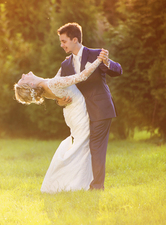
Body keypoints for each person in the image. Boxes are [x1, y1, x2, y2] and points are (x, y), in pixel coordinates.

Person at [14, 49, 108, 193]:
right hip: (79, 114)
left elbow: (60, 77)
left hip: (74, 114)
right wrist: (99, 59)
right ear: (31, 85)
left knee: (82, 147)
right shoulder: (50, 85)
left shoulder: (47, 86)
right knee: (82, 147)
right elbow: (82, 76)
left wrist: (68, 61)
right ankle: (78, 184)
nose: (23, 75)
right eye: (23, 79)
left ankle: (83, 182)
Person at [55, 22, 123, 190]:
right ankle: (81, 184)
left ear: (75, 39)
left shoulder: (96, 55)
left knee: (96, 146)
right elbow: (60, 89)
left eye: (64, 41)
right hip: (80, 115)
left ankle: (97, 186)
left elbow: (118, 70)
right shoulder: (65, 65)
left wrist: (106, 62)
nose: (61, 45)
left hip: (101, 109)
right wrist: (60, 101)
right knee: (81, 148)